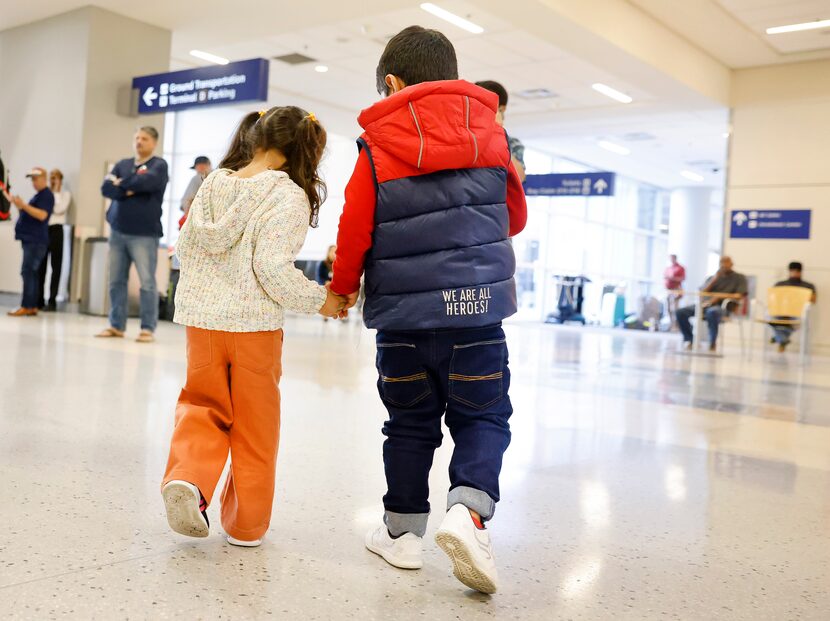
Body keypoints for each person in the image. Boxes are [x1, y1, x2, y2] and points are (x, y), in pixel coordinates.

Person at [331, 26, 527, 594]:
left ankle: (402, 536)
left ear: (391, 83)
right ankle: (468, 513)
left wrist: (343, 289)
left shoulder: (375, 144)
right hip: (477, 312)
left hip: (403, 320)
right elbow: (513, 217)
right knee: (483, 416)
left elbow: (354, 227)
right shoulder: (492, 136)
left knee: (410, 425)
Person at [160, 106, 346, 549]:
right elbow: (272, 270)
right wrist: (324, 301)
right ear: (305, 149)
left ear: (255, 139)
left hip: (201, 324)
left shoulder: (212, 184)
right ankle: (245, 526)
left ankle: (188, 479)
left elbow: (185, 247)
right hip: (253, 329)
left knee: (202, 406)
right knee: (254, 428)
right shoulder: (287, 196)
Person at [97, 126, 169, 343]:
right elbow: (106, 188)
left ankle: (148, 328)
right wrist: (128, 186)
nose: (139, 142)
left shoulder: (159, 165)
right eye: (137, 138)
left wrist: (122, 183)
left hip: (144, 234)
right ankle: (116, 325)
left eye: (144, 139)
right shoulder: (123, 164)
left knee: (147, 282)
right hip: (118, 231)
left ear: (153, 143)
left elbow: (148, 181)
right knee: (116, 280)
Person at [5, 167, 54, 317]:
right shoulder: (38, 196)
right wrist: (19, 205)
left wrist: (24, 205)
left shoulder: (46, 196)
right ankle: (31, 306)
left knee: (28, 272)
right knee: (31, 273)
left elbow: (42, 215)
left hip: (36, 241)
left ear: (43, 178)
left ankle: (27, 305)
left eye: (35, 179)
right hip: (30, 240)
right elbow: (30, 213)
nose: (33, 182)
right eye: (32, 179)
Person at [676, 256, 748, 352]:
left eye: (726, 263)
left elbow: (739, 295)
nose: (724, 266)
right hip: (705, 305)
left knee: (712, 312)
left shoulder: (739, 278)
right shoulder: (712, 277)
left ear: (731, 264)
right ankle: (691, 340)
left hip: (723, 307)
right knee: (680, 312)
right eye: (722, 263)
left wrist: (719, 297)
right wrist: (714, 280)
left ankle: (712, 343)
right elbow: (702, 292)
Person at [475, 80, 526, 182]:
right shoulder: (467, 135)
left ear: (501, 109)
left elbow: (519, 177)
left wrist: (497, 131)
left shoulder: (512, 143)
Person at [37, 169, 71, 311]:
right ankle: (39, 300)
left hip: (57, 231)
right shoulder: (45, 194)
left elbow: (59, 209)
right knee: (41, 267)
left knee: (56, 267)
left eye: (55, 178)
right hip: (45, 230)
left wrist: (56, 192)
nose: (52, 180)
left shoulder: (65, 195)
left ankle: (52, 301)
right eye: (51, 177)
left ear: (60, 179)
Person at [770, 261, 816, 352]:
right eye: (792, 271)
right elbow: (773, 299)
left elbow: (813, 300)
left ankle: (779, 338)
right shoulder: (780, 284)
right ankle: (782, 339)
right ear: (789, 271)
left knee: (788, 322)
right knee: (774, 318)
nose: (795, 273)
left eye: (797, 271)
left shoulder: (808, 286)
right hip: (780, 312)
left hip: (797, 313)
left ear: (801, 272)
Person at [179, 156, 212, 227]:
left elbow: (188, 199)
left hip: (197, 216)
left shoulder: (197, 178)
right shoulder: (218, 177)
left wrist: (186, 213)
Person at [664, 254, 686, 329]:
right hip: (668, 290)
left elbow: (683, 278)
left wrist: (672, 278)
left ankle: (676, 324)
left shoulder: (680, 268)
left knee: (675, 308)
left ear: (675, 258)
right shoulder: (668, 268)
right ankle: (671, 323)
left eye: (672, 258)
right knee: (668, 308)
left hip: (676, 289)